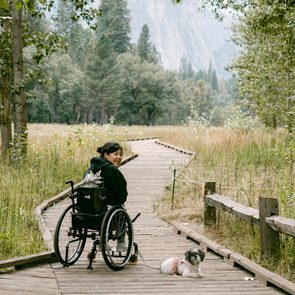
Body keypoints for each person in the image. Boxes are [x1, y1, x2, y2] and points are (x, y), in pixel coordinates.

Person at [84, 141, 128, 251]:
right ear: (106, 155)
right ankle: (121, 243)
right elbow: (121, 194)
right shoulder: (111, 169)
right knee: (121, 209)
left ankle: (102, 242)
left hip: (86, 208)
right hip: (105, 210)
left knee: (104, 205)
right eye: (115, 154)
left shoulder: (91, 168)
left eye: (120, 154)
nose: (119, 157)